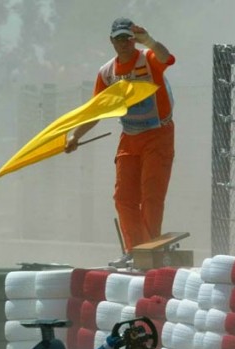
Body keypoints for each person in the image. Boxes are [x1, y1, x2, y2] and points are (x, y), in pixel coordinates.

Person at [64, 17, 176, 268]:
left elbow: (167, 58)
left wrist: (149, 41)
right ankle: (133, 251)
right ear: (111, 41)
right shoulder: (107, 73)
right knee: (123, 197)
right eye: (119, 39)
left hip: (159, 134)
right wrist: (75, 136)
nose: (124, 43)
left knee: (151, 195)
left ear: (133, 39)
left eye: (128, 38)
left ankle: (149, 251)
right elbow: (97, 111)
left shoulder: (148, 58)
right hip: (129, 136)